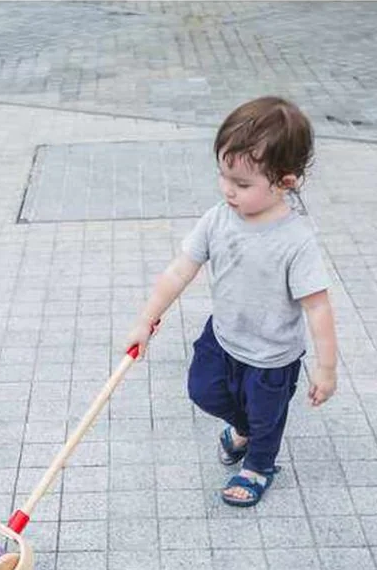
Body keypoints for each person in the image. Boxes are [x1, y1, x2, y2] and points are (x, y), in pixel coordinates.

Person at [126, 96, 337, 507]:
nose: (228, 191)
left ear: (285, 183)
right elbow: (179, 270)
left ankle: (259, 465)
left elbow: (318, 307)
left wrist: (326, 369)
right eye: (223, 176)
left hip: (272, 356)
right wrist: (146, 320)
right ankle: (242, 429)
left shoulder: (296, 241)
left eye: (242, 184)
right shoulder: (217, 218)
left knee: (267, 416)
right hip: (222, 338)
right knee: (203, 391)